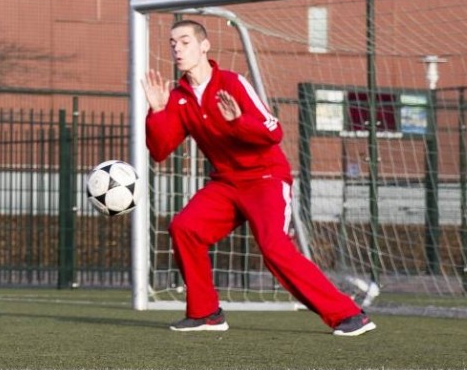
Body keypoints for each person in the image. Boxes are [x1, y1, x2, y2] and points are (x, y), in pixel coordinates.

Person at [142, 19, 376, 336]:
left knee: (274, 247)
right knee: (185, 228)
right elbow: (159, 150)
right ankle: (206, 313)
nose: (177, 48)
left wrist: (239, 120)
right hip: (225, 185)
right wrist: (157, 112)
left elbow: (273, 132)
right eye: (173, 43)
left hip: (265, 179)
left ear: (204, 45)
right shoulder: (179, 97)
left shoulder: (232, 83)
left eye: (184, 41)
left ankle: (350, 315)